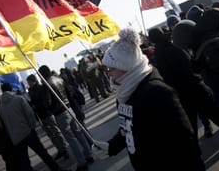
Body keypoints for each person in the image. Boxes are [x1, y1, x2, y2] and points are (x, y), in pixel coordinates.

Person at [94, 27, 205, 171]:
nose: (108, 74)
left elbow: (185, 141)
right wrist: (111, 146)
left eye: (110, 69)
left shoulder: (157, 92)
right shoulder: (124, 92)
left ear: (125, 67)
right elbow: (127, 128)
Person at [39, 65, 94, 171]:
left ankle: (82, 163)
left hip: (60, 113)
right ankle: (89, 155)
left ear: (42, 74)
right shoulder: (59, 79)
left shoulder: (47, 85)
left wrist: (47, 107)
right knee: (79, 133)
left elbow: (48, 103)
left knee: (71, 139)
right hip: (69, 109)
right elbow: (69, 92)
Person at [0, 83, 63, 171]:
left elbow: (5, 124)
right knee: (43, 154)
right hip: (28, 132)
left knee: (25, 163)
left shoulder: (1, 107)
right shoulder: (18, 99)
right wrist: (32, 126)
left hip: (16, 138)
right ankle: (56, 169)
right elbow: (30, 114)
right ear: (11, 89)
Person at [26, 74, 69, 161]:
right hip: (40, 116)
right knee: (50, 135)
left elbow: (45, 102)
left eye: (30, 82)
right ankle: (59, 150)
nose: (29, 84)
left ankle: (64, 149)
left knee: (56, 132)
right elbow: (33, 102)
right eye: (28, 82)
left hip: (47, 114)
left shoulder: (41, 88)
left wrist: (36, 107)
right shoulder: (30, 91)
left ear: (34, 81)